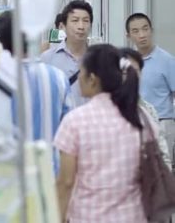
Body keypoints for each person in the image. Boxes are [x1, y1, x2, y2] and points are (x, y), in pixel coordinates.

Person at [55, 44, 153, 223]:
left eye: (81, 73)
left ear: (92, 79)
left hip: (88, 216)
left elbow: (66, 182)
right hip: (132, 216)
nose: (79, 79)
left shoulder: (75, 121)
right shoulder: (140, 118)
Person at [0, 11, 72, 173]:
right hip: (49, 181)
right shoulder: (58, 78)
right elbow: (69, 136)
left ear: (0, 40)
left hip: (6, 185)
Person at [125, 12, 175, 168]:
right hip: (134, 123)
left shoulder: (167, 61)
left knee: (162, 170)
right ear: (128, 35)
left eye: (145, 29)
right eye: (136, 31)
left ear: (151, 30)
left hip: (162, 122)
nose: (142, 35)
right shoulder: (126, 62)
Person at [120, 48, 172, 167]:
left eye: (136, 72)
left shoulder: (148, 110)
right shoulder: (106, 110)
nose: (131, 77)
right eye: (126, 72)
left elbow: (163, 153)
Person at [41, 0, 93, 107]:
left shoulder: (99, 59)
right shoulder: (47, 59)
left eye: (86, 21)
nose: (81, 26)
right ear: (63, 26)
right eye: (75, 20)